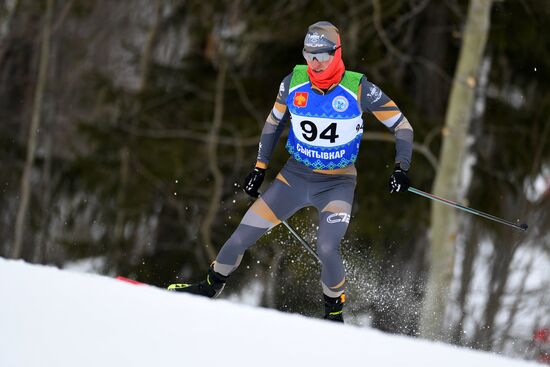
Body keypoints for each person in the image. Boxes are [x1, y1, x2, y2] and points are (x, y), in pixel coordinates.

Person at [168, 21, 413, 323]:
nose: (315, 63)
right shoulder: (293, 82)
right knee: (239, 237)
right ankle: (208, 287)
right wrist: (260, 168)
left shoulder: (358, 88)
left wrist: (402, 167)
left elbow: (402, 125)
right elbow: (273, 124)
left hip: (337, 184)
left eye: (322, 55)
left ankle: (334, 315)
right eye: (309, 55)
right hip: (293, 179)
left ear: (337, 53)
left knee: (327, 246)